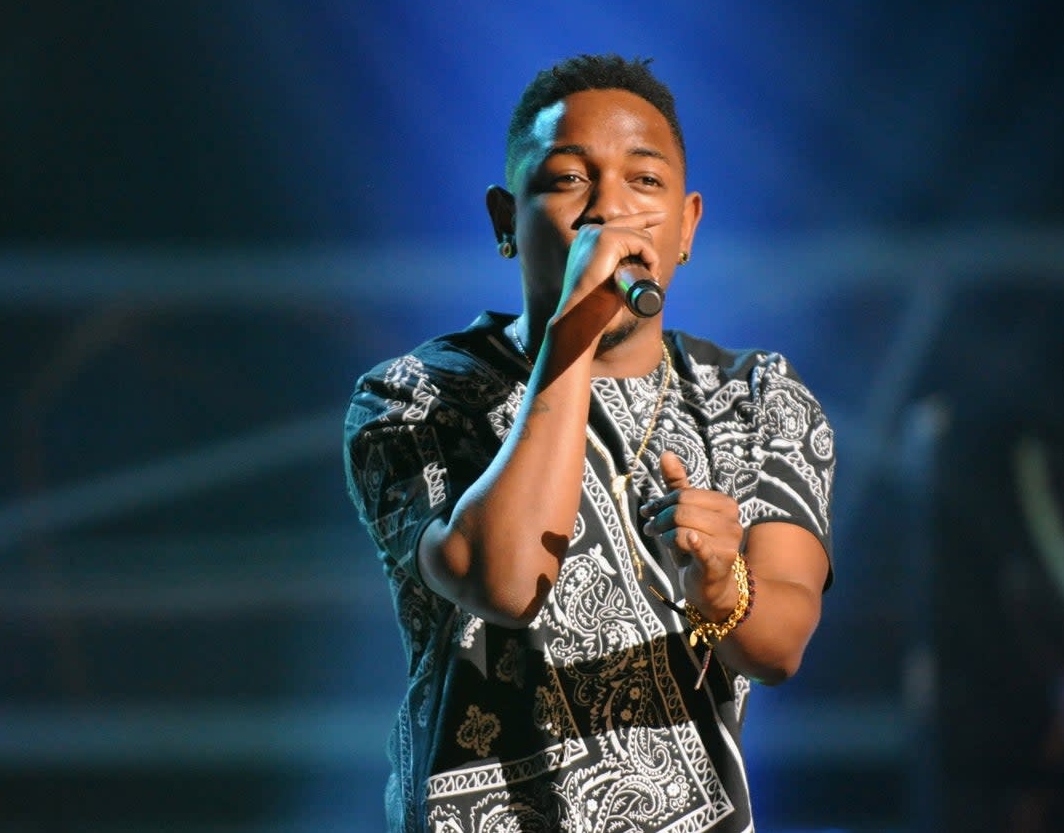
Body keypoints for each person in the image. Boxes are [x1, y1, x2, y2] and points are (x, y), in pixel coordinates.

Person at [344, 54, 834, 832]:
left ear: (687, 225)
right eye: (569, 180)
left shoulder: (755, 398)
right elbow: (504, 582)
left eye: (645, 182)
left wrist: (721, 590)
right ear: (507, 220)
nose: (609, 210)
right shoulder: (417, 393)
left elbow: (781, 642)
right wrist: (573, 338)